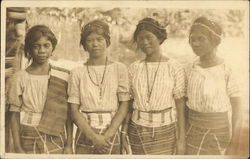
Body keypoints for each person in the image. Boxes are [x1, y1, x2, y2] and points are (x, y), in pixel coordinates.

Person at [121, 17, 186, 155]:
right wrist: (123, 132)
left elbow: (180, 106)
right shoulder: (133, 68)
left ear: (159, 38)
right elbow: (128, 104)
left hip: (166, 131)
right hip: (137, 131)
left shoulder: (174, 67)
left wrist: (181, 139)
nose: (144, 42)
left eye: (149, 37)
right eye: (140, 38)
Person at [68, 20, 130, 154]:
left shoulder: (119, 69)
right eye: (90, 40)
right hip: (85, 134)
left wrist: (107, 135)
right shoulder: (77, 73)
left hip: (111, 134)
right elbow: (73, 110)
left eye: (99, 39)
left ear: (107, 41)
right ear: (84, 44)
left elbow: (124, 104)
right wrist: (94, 137)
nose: (95, 44)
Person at [8, 25, 73, 154]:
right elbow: (14, 114)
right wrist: (17, 146)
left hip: (55, 136)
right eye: (36, 46)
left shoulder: (63, 76)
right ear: (29, 49)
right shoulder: (20, 77)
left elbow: (68, 114)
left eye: (46, 45)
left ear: (52, 47)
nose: (42, 50)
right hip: (28, 134)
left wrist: (69, 144)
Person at [185, 16, 242, 155]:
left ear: (214, 41)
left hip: (219, 133)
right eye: (192, 39)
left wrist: (234, 142)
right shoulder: (188, 69)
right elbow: (184, 105)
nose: (195, 44)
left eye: (201, 39)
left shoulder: (228, 68)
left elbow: (238, 110)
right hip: (192, 133)